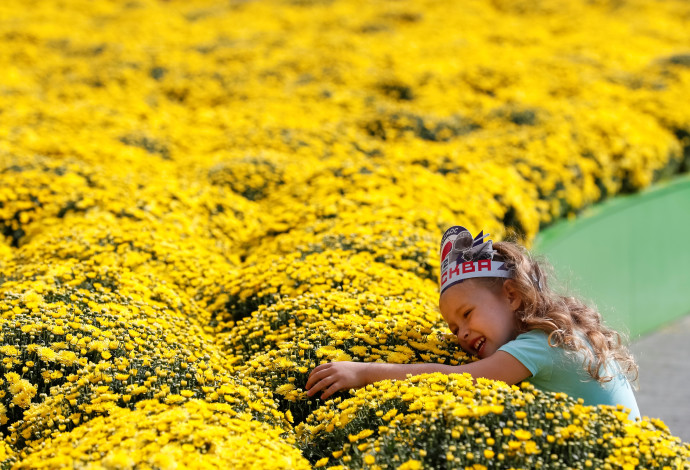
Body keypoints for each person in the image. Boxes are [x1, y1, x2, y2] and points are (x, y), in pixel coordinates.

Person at [306, 225, 640, 419]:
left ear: (511, 295)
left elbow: (457, 379)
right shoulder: (558, 332)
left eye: (466, 315)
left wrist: (362, 372)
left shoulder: (540, 346)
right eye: (453, 328)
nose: (461, 333)